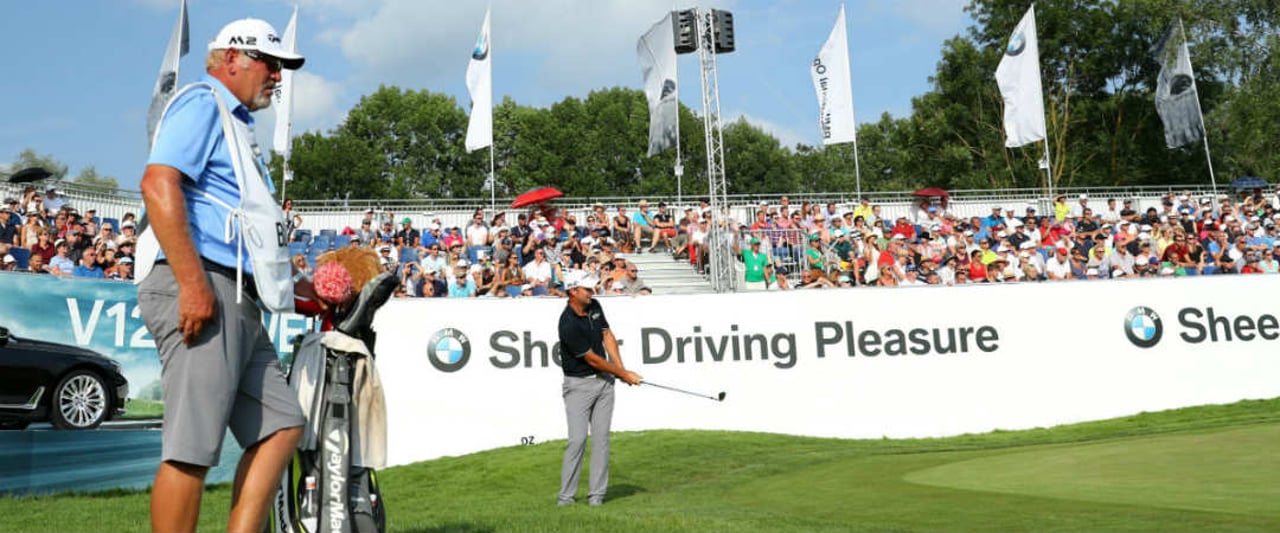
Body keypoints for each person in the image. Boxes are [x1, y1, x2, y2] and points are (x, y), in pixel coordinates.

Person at [135, 18, 306, 533]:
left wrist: (301, 289)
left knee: (282, 424)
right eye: (270, 64)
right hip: (204, 282)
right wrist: (192, 284)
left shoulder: (238, 127)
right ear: (232, 59)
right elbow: (158, 183)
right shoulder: (203, 102)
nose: (278, 76)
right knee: (193, 446)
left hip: (236, 292)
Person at [556, 272, 642, 508]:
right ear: (573, 291)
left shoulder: (595, 306)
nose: (591, 291)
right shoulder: (567, 323)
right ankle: (566, 498)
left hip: (605, 383)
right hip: (578, 386)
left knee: (601, 440)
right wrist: (623, 374)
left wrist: (620, 370)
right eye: (586, 288)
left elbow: (607, 334)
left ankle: (596, 497)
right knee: (578, 440)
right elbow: (592, 359)